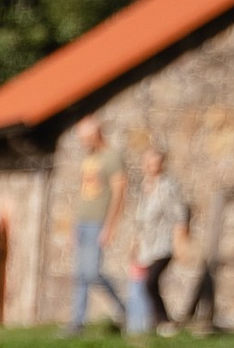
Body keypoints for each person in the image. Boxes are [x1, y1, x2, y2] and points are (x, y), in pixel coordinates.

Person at [65, 121, 126, 331]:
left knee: (91, 273)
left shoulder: (112, 158)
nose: (83, 143)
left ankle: (123, 309)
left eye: (85, 138)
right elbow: (82, 194)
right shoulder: (89, 158)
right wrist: (74, 225)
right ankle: (77, 323)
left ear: (96, 134)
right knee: (80, 274)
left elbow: (119, 193)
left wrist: (109, 226)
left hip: (98, 223)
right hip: (82, 223)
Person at [127, 144, 189, 336]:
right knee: (144, 284)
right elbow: (140, 221)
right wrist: (134, 243)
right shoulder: (143, 187)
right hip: (146, 245)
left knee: (150, 282)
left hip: (164, 243)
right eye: (147, 162)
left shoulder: (168, 186)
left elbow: (180, 215)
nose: (150, 166)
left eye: (154, 162)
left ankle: (164, 322)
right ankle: (148, 323)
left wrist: (180, 243)